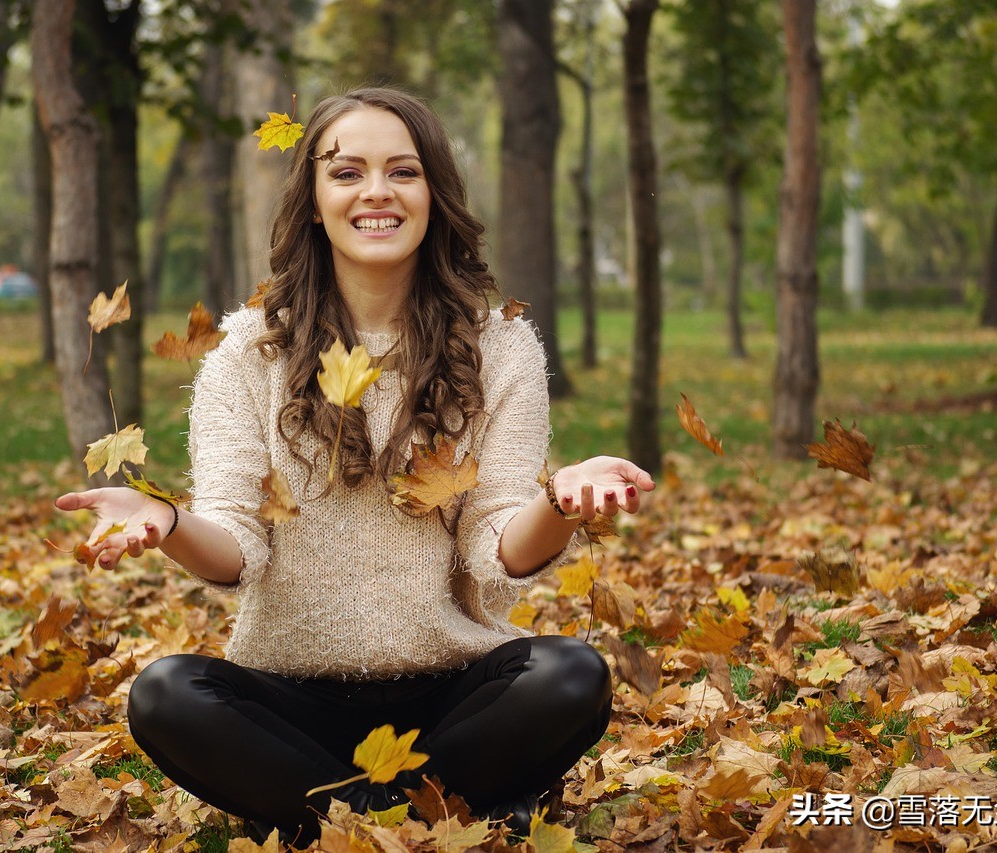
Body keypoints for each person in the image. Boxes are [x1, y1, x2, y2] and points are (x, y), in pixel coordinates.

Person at [55, 87, 655, 846]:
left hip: (453, 699)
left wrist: (561, 502)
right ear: (312, 199)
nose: (377, 191)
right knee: (167, 693)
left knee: (571, 675)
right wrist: (169, 521)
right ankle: (423, 819)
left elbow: (499, 546)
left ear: (433, 193)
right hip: (291, 707)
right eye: (347, 173)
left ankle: (347, 825)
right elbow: (237, 548)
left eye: (402, 171)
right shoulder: (246, 353)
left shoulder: (500, 350)